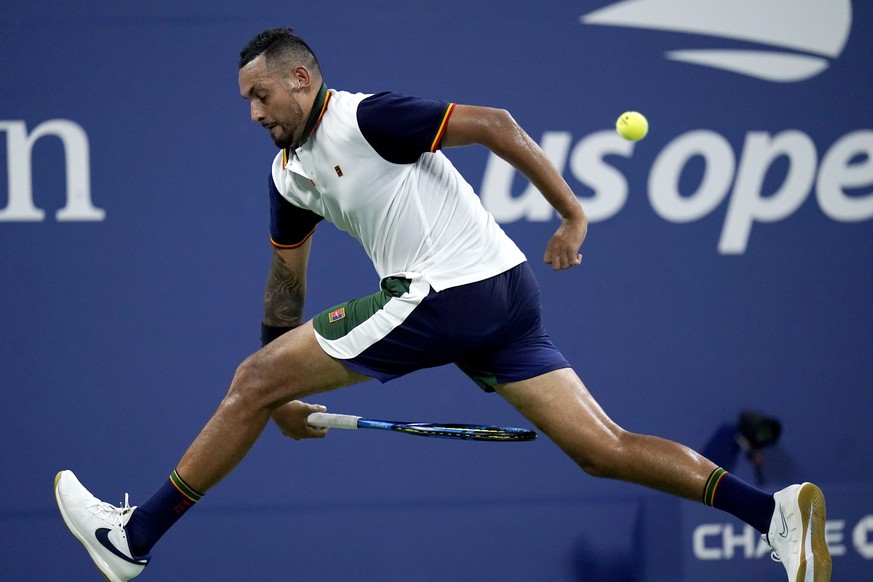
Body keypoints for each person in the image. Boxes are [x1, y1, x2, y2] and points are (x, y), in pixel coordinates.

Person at [54, 27, 831, 582]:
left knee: (248, 381)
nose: (254, 114)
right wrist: (277, 382)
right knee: (601, 448)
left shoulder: (363, 118)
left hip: (449, 290)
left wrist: (572, 213)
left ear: (301, 78)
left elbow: (494, 124)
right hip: (498, 296)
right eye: (246, 104)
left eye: (261, 95)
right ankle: (773, 516)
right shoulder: (290, 174)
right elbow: (285, 283)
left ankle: (134, 537)